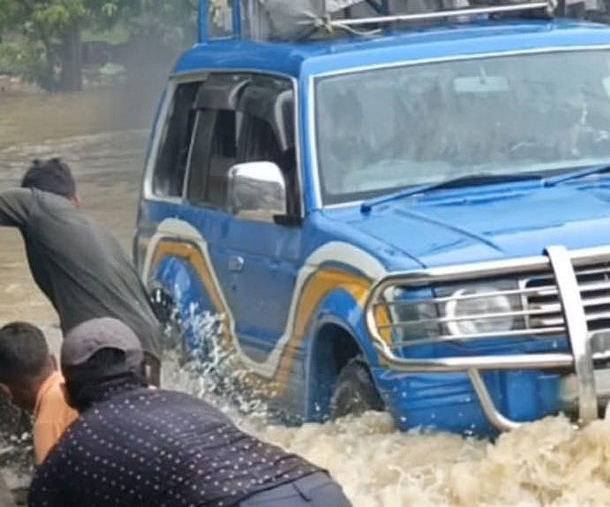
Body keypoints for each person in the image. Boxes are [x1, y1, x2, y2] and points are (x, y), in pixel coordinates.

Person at [30, 318, 353, 507]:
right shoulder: (190, 405)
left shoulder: (69, 455)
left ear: (68, 393)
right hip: (320, 490)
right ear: (145, 370)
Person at [0, 159, 163, 384]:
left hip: (108, 346)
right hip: (146, 343)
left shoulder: (38, 204)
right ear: (76, 201)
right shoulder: (97, 231)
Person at [0, 322, 78, 464]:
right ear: (54, 360)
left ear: (6, 391)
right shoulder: (78, 385)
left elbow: (50, 482)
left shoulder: (47, 423)